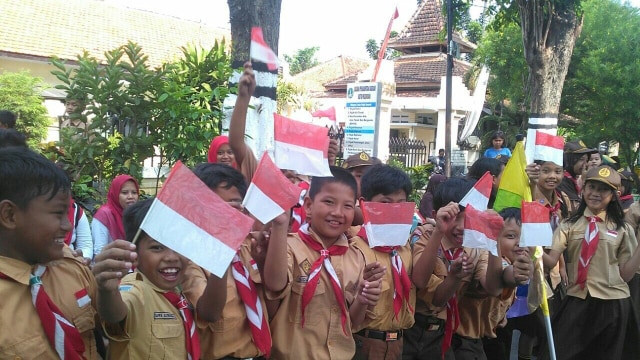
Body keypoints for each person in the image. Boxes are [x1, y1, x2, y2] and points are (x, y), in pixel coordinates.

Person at [263, 166, 384, 359]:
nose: (337, 212)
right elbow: (274, 284)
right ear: (309, 206)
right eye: (329, 202)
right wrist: (279, 225)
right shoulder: (289, 247)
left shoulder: (356, 257)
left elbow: (352, 321)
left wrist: (362, 299)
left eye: (347, 206)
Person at [92, 198, 225, 359]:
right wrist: (107, 290)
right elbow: (115, 314)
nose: (171, 257)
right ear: (134, 255)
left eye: (179, 245)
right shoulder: (136, 289)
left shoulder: (178, 296)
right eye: (157, 247)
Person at [0, 147, 99, 358]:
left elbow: (108, 328)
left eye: (68, 214)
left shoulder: (70, 267)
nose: (68, 226)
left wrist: (108, 289)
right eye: (57, 213)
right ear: (9, 215)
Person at [542, 165, 640, 359]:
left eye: (603, 189)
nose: (595, 193)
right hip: (578, 299)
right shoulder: (568, 225)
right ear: (583, 189)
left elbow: (626, 275)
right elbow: (551, 260)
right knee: (557, 353)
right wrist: (532, 248)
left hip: (613, 303)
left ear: (615, 194)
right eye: (591, 187)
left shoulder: (623, 229)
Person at [404, 178, 504, 360]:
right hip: (412, 329)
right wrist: (439, 232)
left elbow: (493, 288)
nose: (461, 227)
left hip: (444, 332)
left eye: (469, 220)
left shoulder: (475, 246)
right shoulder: (424, 235)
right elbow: (420, 282)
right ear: (436, 215)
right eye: (453, 218)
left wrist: (494, 240)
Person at [181, 162, 274, 360]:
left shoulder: (250, 246)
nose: (226, 213)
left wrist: (264, 261)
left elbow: (273, 295)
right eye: (216, 206)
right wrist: (222, 251)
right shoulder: (189, 257)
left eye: (233, 204)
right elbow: (209, 312)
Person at [349, 164, 416, 360]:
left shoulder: (404, 246)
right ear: (365, 204)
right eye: (385, 202)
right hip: (364, 343)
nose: (394, 209)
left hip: (398, 344)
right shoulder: (354, 245)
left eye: (400, 203)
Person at [457, 207, 532, 360]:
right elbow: (502, 276)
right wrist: (516, 276)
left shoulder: (516, 261)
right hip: (463, 342)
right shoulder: (487, 256)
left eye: (525, 237)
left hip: (489, 338)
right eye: (511, 236)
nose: (520, 243)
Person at [92, 174, 139, 256]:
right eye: (125, 193)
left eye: (134, 193)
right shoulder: (104, 214)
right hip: (109, 265)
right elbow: (99, 251)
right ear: (115, 194)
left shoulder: (136, 214)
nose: (131, 197)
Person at [556, 140, 598, 216]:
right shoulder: (562, 181)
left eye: (586, 160)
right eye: (581, 159)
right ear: (570, 160)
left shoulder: (572, 179)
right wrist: (584, 181)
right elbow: (576, 208)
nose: (585, 164)